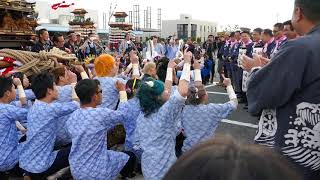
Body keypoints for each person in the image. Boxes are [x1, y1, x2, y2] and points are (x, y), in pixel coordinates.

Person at [241, 0, 320, 179]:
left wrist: (255, 69)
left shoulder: (300, 47)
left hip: (296, 160)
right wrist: (275, 68)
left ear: (298, 13)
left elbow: (264, 93)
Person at [135, 50, 190, 179]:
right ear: (157, 98)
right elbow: (182, 92)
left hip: (148, 163)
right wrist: (187, 63)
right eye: (162, 91)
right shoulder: (164, 113)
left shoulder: (142, 115)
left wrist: (170, 70)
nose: (167, 92)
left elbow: (167, 91)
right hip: (163, 166)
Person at [66, 79, 136, 179]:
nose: (102, 94)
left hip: (76, 167)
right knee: (129, 156)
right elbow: (123, 114)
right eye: (101, 92)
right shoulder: (99, 114)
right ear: (95, 96)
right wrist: (122, 91)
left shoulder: (73, 116)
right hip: (96, 169)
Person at [19, 72, 79, 179]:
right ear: (49, 91)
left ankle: (29, 175)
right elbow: (76, 104)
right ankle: (54, 176)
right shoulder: (51, 109)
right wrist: (74, 82)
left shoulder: (34, 106)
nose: (57, 89)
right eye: (55, 86)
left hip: (25, 162)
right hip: (40, 166)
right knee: (80, 147)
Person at [164, 137, 302, 180]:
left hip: (191, 152)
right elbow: (233, 104)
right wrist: (229, 87)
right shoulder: (213, 109)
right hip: (201, 149)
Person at [181, 61, 237, 152]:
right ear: (204, 96)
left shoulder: (183, 110)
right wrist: (229, 86)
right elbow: (234, 103)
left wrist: (197, 70)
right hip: (206, 152)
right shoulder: (211, 110)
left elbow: (197, 90)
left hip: (188, 152)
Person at [0, 77, 28, 177]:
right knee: (36, 145)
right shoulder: (6, 109)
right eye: (13, 88)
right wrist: (20, 86)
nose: (15, 91)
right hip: (6, 160)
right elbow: (31, 114)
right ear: (7, 93)